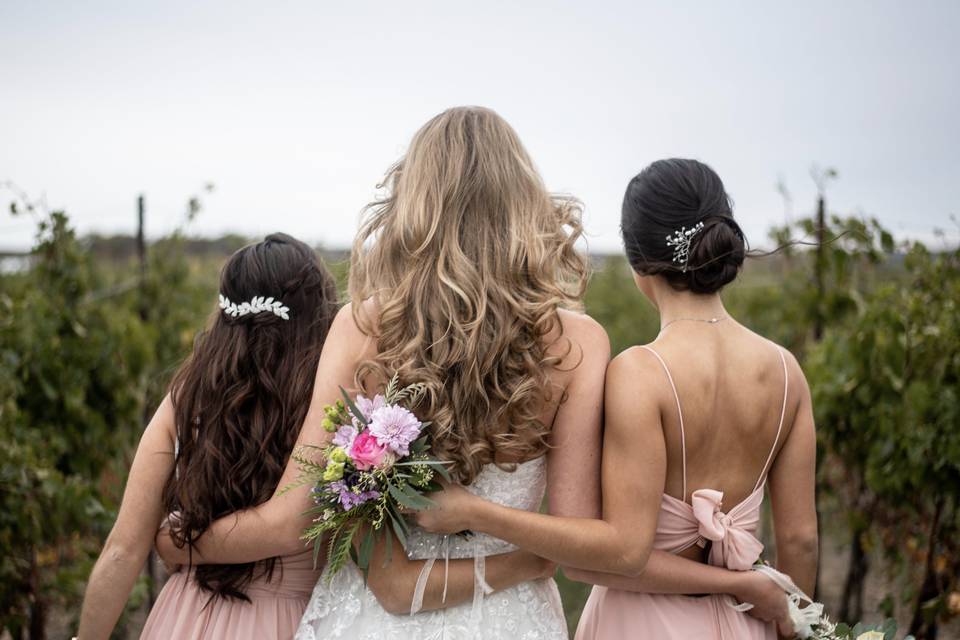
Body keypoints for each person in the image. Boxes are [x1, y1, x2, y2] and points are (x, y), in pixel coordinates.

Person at [157, 114, 790, 639]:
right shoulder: (577, 341)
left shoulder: (363, 326)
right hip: (511, 621)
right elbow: (581, 540)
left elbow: (296, 517)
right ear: (524, 206)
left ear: (415, 204)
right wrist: (519, 557)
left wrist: (179, 541)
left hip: (369, 620)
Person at [416, 158, 816, 638]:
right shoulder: (787, 372)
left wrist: (473, 511)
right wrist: (792, 622)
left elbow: (604, 561)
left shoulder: (640, 375)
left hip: (643, 622)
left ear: (637, 262)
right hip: (750, 624)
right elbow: (800, 537)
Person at [77, 233, 339, 639]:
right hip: (294, 621)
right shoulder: (331, 403)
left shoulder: (186, 400)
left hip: (184, 620)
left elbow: (122, 549)